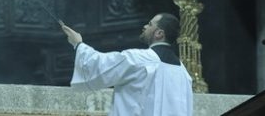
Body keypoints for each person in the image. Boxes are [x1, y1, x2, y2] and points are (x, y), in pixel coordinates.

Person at [61, 13, 193, 116]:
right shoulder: (183, 73)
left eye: (150, 24)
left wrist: (78, 44)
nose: (145, 27)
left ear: (159, 33)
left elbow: (100, 65)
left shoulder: (140, 59)